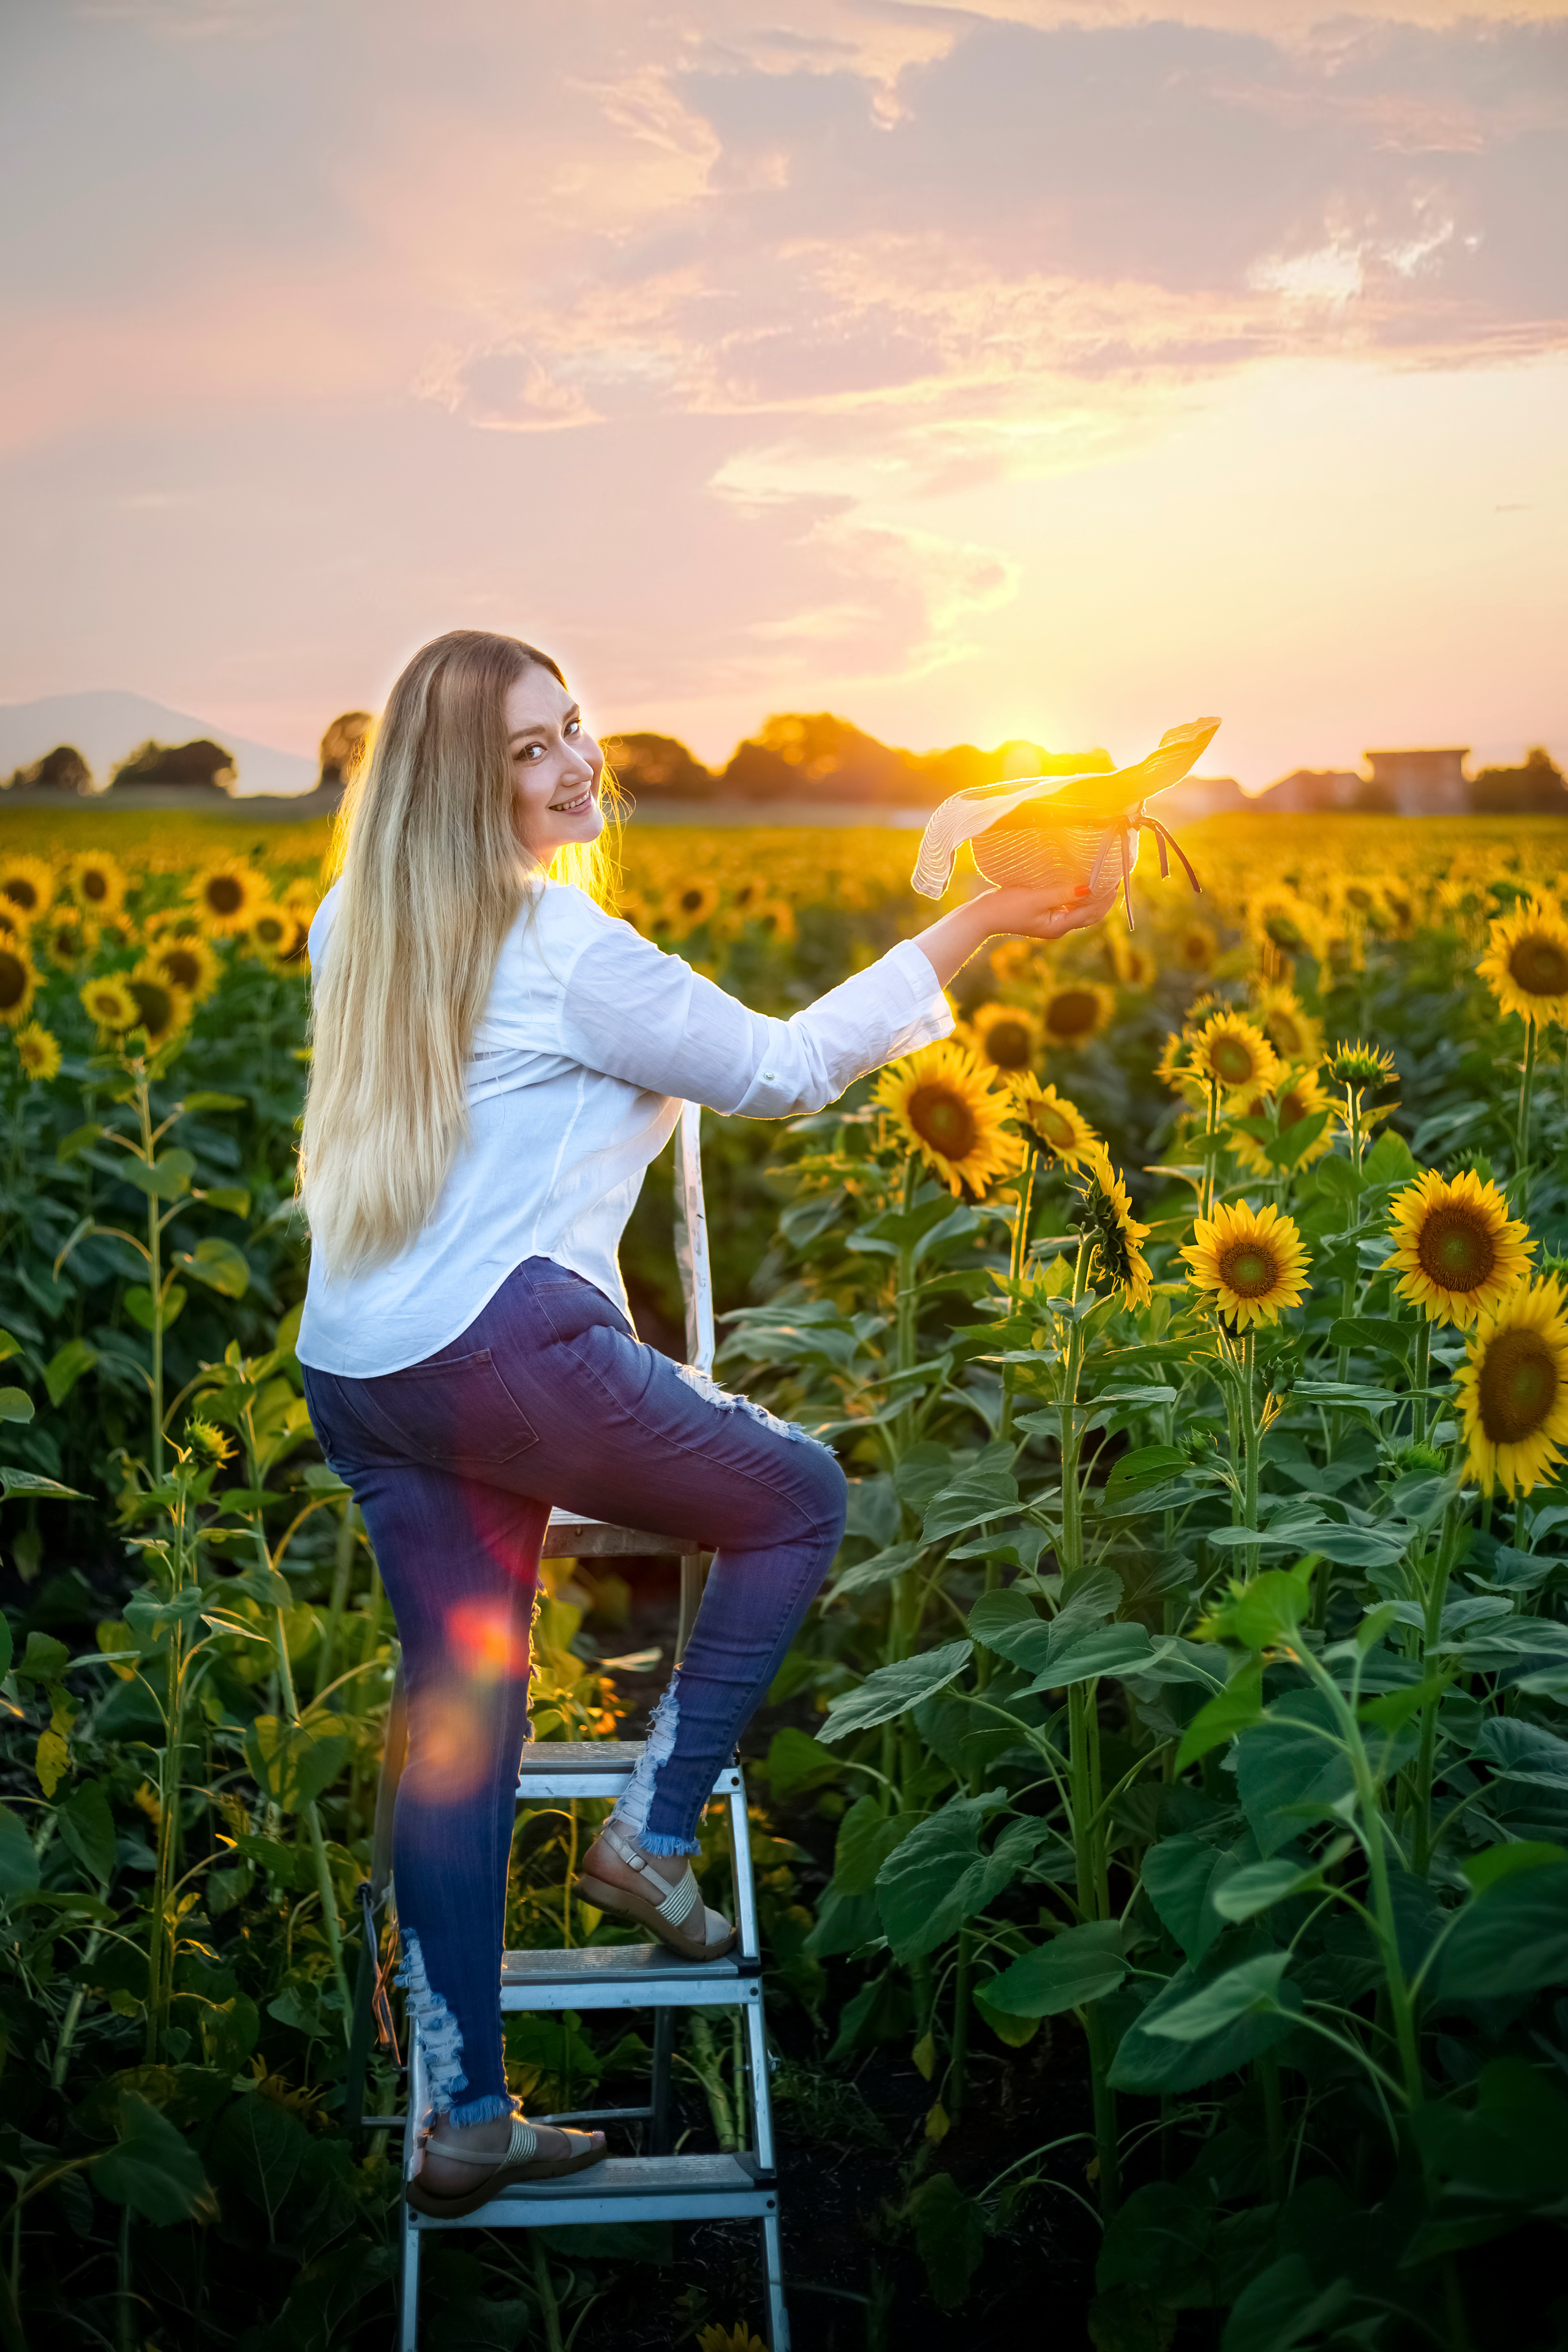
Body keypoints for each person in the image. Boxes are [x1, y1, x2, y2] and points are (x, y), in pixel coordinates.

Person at [295, 628, 1116, 2215]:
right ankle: (654, 1835)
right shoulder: (562, 948)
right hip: (501, 1360)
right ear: (465, 785)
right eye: (531, 749)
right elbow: (789, 1070)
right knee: (796, 1494)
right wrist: (989, 914)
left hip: (365, 1371)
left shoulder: (357, 925)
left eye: (575, 728)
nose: (576, 763)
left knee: (460, 1724)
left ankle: (463, 2112)